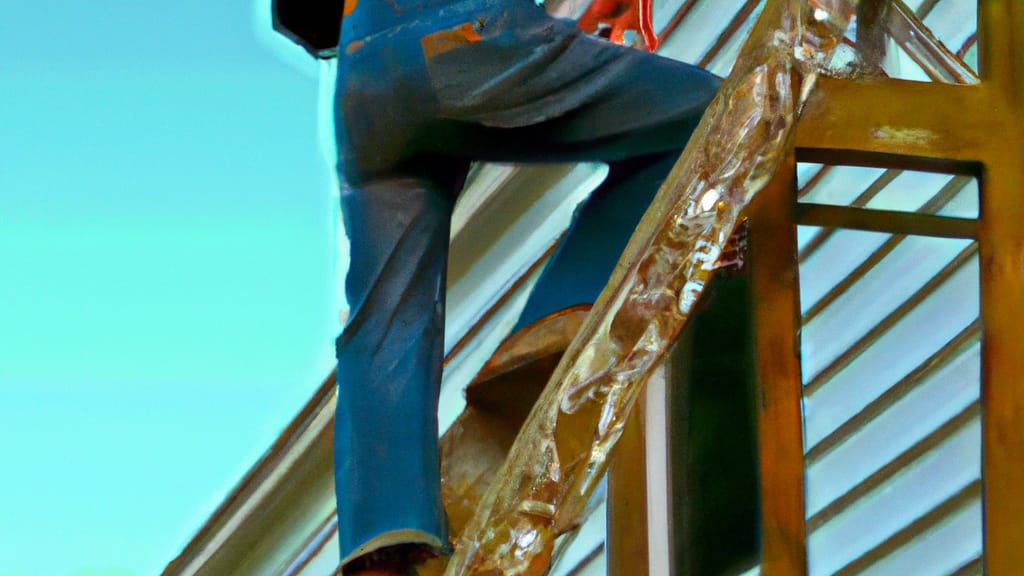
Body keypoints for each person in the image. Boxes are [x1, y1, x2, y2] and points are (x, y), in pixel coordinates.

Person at [272, 0, 720, 573]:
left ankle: (381, 541)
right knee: (708, 117)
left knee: (382, 313)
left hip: (362, 77)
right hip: (455, 32)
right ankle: (562, 311)